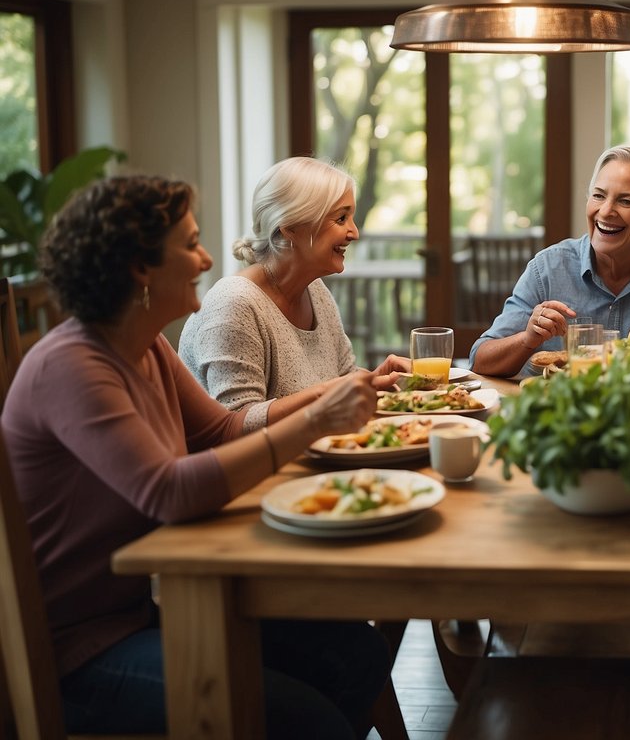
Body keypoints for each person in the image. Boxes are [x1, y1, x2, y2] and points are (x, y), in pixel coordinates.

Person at [1, 176, 392, 737]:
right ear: (140, 268)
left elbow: (227, 430)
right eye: (189, 244)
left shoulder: (148, 346)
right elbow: (171, 493)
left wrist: (316, 412)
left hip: (142, 611)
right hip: (77, 649)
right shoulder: (72, 365)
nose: (207, 257)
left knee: (357, 655)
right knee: (312, 721)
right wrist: (314, 419)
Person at [179, 157, 410, 430]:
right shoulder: (233, 305)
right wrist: (330, 393)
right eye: (341, 218)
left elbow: (342, 379)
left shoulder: (315, 291)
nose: (354, 232)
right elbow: (237, 426)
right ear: (290, 226)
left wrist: (375, 380)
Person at [469, 145, 630, 377]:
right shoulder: (546, 268)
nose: (606, 211)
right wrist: (527, 339)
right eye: (599, 196)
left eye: (625, 201)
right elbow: (479, 360)